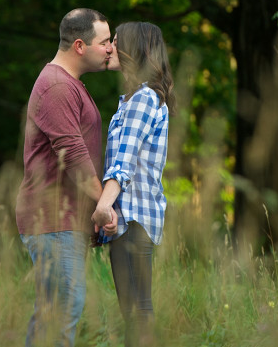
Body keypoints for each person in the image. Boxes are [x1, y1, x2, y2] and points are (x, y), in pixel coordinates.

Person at [15, 8, 115, 347]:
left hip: (63, 219)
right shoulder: (57, 86)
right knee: (60, 315)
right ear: (79, 46)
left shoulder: (67, 82)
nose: (111, 49)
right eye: (105, 43)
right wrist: (105, 205)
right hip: (53, 219)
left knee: (54, 313)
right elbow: (74, 158)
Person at [91, 22, 176, 347]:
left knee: (138, 311)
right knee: (135, 311)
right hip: (131, 220)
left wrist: (103, 205)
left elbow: (123, 162)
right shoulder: (133, 99)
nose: (110, 46)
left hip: (135, 220)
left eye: (115, 41)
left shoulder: (143, 98)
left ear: (132, 49)